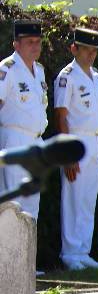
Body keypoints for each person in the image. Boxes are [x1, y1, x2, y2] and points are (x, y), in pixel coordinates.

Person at [54, 27, 98, 270]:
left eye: (94, 51)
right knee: (74, 198)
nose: (91, 55)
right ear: (74, 49)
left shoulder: (97, 78)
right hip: (77, 141)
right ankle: (70, 252)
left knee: (88, 199)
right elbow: (61, 116)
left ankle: (83, 251)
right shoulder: (67, 76)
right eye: (86, 50)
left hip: (96, 142)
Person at [0, 20, 48, 219]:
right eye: (30, 42)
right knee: (13, 205)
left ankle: (29, 251)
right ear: (16, 44)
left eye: (38, 41)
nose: (35, 46)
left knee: (32, 205)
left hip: (36, 142)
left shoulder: (39, 71)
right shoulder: (7, 69)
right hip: (14, 140)